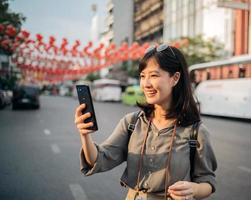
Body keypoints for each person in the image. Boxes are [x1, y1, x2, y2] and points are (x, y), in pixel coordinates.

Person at [74, 44, 217, 200]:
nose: (146, 84)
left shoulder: (196, 132)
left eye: (154, 75)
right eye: (142, 76)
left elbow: (207, 181)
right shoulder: (132, 123)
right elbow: (99, 159)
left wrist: (194, 189)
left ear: (175, 78)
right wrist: (84, 135)